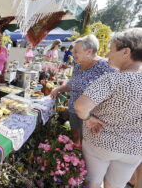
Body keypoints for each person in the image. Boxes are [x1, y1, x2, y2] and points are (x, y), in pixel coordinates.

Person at [74, 28, 142, 188]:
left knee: (93, 183)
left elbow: (81, 107)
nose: (107, 55)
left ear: (126, 52)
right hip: (134, 149)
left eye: (111, 50)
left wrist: (88, 119)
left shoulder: (112, 80)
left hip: (100, 143)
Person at [50, 34, 114, 145]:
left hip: (93, 115)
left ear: (89, 52)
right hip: (74, 111)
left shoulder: (105, 66)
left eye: (76, 51)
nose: (72, 54)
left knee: (89, 144)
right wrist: (58, 89)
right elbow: (72, 84)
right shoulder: (78, 65)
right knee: (76, 140)